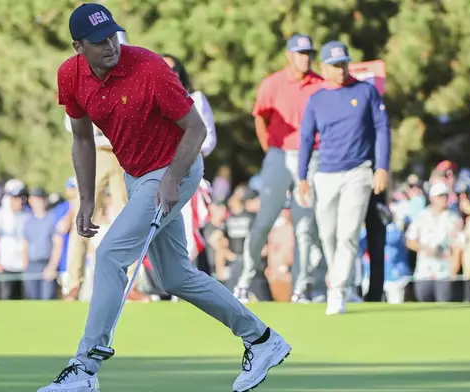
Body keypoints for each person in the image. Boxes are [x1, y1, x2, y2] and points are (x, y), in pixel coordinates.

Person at [39, 4, 291, 392]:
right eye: (97, 41)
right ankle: (262, 340)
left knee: (110, 255)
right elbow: (82, 138)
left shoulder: (149, 67)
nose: (109, 45)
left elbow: (196, 128)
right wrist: (87, 199)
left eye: (111, 35)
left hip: (176, 168)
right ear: (78, 47)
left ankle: (84, 368)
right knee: (175, 276)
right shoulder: (70, 76)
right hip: (137, 176)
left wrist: (173, 179)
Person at [297, 40, 390, 314]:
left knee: (348, 232)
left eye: (344, 64)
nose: (341, 70)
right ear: (324, 67)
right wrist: (302, 176)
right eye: (335, 66)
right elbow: (305, 139)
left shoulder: (366, 92)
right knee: (327, 234)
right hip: (325, 173)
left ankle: (337, 290)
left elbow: (382, 129)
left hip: (359, 172)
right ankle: (341, 282)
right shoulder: (316, 99)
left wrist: (381, 167)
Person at [235, 34, 325, 303]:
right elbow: (259, 118)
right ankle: (245, 278)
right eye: (300, 53)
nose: (305, 57)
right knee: (264, 221)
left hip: (311, 159)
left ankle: (301, 287)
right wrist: (270, 150)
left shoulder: (321, 85)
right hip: (278, 154)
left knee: (305, 225)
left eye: (309, 52)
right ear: (289, 55)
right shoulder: (272, 84)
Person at [161, 54, 216, 272]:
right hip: (160, 174)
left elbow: (209, 138)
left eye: (173, 69)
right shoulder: (152, 101)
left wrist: (186, 151)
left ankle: (190, 279)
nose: (169, 74)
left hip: (189, 173)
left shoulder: (196, 99)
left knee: (190, 229)